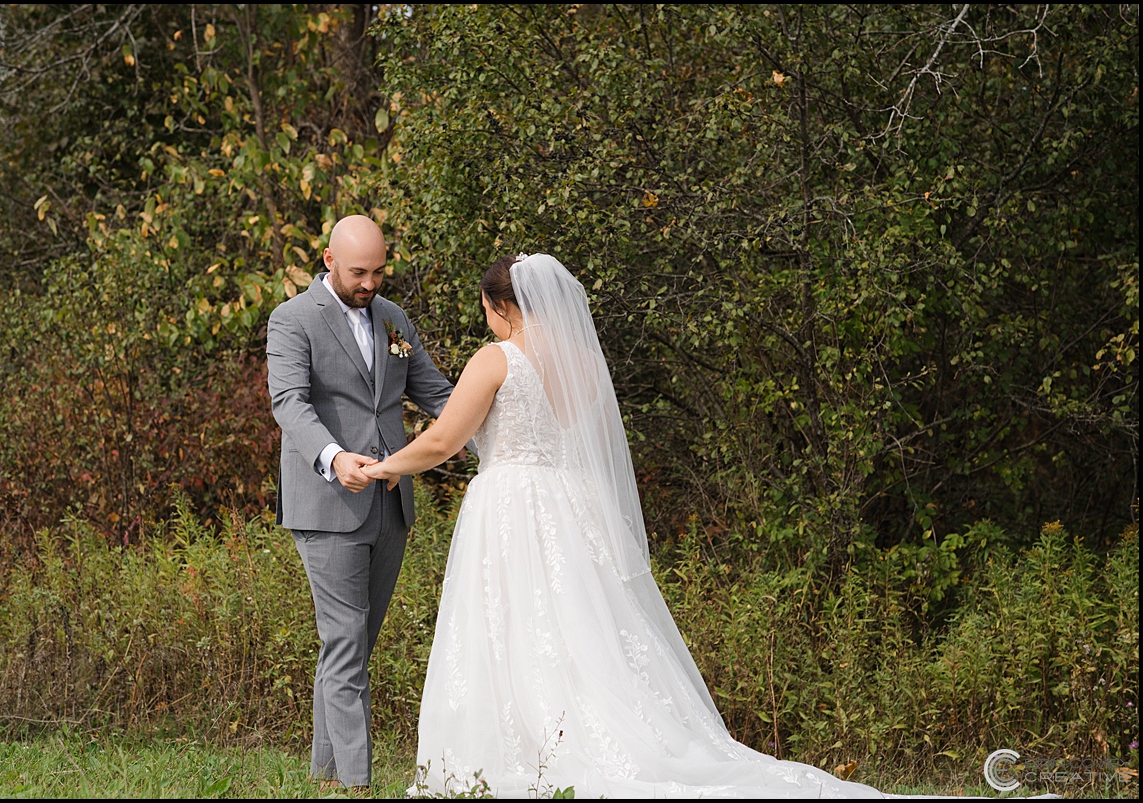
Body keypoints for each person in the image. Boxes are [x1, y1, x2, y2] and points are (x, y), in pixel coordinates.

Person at [361, 252, 905, 798]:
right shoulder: (584, 362)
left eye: (486, 310)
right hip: (574, 509)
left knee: (515, 626)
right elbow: (594, 446)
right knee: (583, 631)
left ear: (499, 306)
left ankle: (527, 748)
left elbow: (443, 440)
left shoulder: (495, 358)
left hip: (511, 508)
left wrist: (386, 466)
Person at [266, 214, 458, 790]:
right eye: (358, 273)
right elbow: (289, 402)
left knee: (351, 646)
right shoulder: (292, 319)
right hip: (328, 504)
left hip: (390, 506)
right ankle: (357, 783)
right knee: (346, 642)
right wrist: (333, 458)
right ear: (328, 260)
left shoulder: (393, 317)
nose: (369, 283)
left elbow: (436, 393)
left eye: (378, 272)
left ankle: (325, 775)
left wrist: (505, 432)